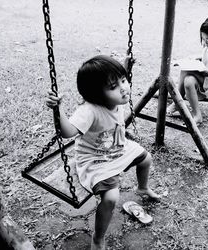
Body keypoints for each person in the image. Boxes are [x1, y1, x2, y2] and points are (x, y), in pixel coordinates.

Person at [46, 55, 160, 250]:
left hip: (117, 148)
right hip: (95, 159)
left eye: (124, 80)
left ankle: (142, 188)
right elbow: (67, 133)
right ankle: (98, 238)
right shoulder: (89, 110)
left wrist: (124, 67)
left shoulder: (113, 98)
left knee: (146, 159)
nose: (124, 87)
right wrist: (58, 110)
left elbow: (114, 83)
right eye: (114, 86)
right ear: (95, 95)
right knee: (111, 197)